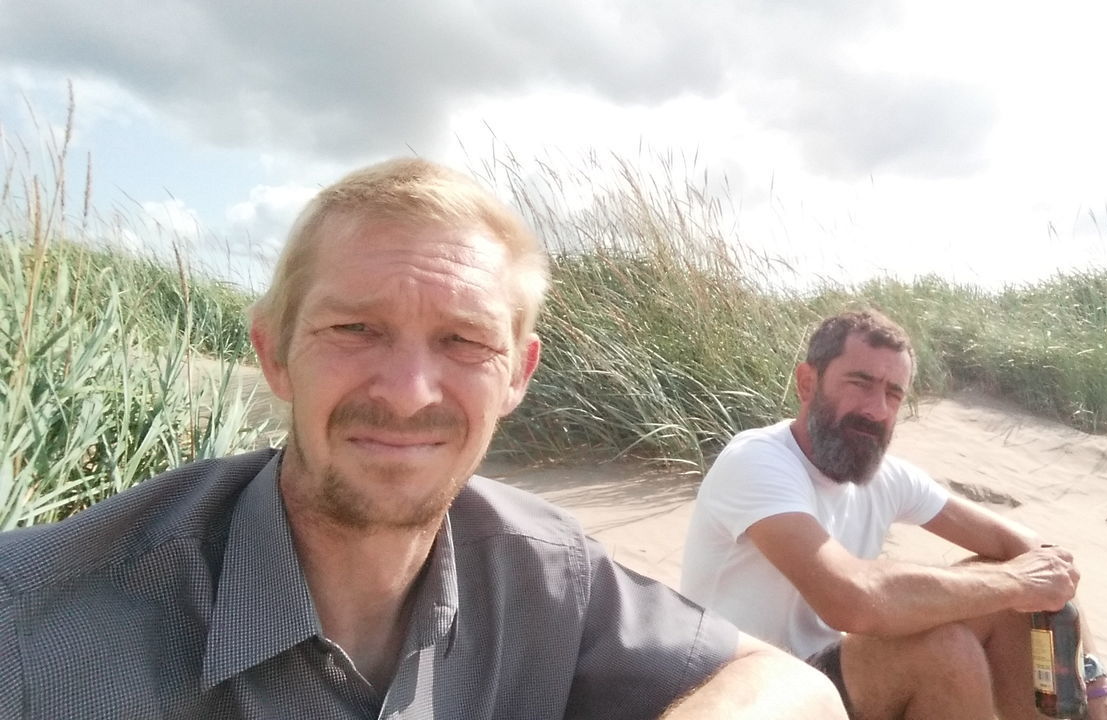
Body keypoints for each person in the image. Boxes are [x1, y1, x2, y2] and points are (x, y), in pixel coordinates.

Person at [0, 158, 844, 719]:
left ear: (517, 373)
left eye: (464, 341)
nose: (407, 394)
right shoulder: (38, 625)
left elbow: (796, 689)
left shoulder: (542, 572)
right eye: (356, 328)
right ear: (273, 353)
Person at [681, 309, 1107, 719]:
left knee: (1009, 599)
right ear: (807, 383)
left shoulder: (888, 477)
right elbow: (850, 599)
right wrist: (1017, 582)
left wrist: (1096, 682)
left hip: (829, 673)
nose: (875, 409)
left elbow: (1035, 553)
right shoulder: (758, 461)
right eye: (859, 383)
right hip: (742, 688)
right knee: (947, 646)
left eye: (893, 393)